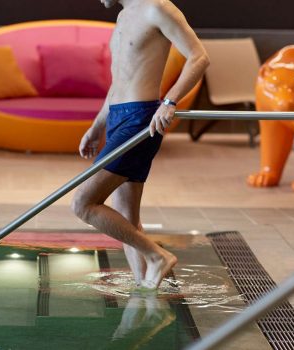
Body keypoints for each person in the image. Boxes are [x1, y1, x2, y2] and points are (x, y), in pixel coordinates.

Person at [71, 0, 209, 290]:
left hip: (140, 119)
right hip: (119, 117)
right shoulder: (123, 17)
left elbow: (198, 57)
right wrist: (98, 126)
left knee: (84, 203)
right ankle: (147, 289)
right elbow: (118, 82)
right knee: (126, 220)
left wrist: (170, 101)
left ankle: (157, 256)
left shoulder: (158, 8)